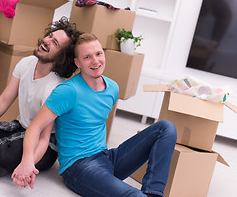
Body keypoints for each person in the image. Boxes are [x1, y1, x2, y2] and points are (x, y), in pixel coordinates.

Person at [12, 33, 177, 197]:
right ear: (78, 63)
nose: (96, 61)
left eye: (98, 54)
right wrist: (27, 161)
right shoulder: (67, 91)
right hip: (79, 167)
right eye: (87, 57)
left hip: (106, 158)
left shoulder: (112, 88)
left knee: (166, 128)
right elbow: (35, 126)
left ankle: (153, 193)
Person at [0, 16, 82, 183]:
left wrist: (28, 165)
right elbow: (4, 100)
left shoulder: (55, 87)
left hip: (42, 147)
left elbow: (43, 138)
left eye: (55, 43)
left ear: (61, 57)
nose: (47, 41)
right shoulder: (26, 63)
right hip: (18, 128)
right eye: (50, 36)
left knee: (7, 151)